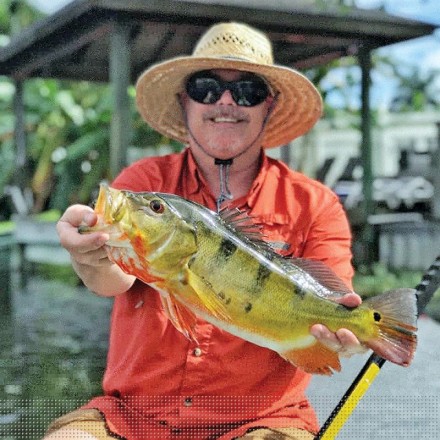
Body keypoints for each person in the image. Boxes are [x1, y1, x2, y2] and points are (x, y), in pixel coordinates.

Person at [46, 22, 365, 440]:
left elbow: (335, 301)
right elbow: (113, 279)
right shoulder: (143, 181)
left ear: (268, 106)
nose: (227, 102)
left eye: (247, 90)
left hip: (264, 421)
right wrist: (89, 256)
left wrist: (351, 334)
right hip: (133, 417)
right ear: (184, 101)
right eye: (207, 88)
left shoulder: (316, 204)